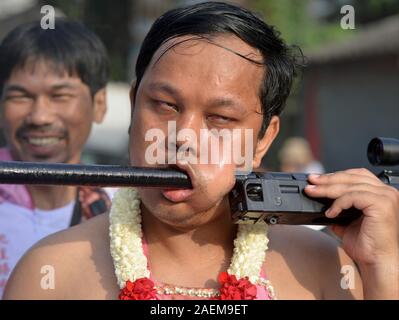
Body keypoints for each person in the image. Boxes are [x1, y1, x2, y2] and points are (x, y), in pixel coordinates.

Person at [4, 2, 398, 300]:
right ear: (133, 103)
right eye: (166, 106)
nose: (184, 137)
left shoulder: (324, 269)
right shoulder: (52, 271)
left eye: (220, 118)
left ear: (263, 138)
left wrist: (384, 267)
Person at [0, 20, 112, 297]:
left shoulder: (124, 207)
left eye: (60, 96)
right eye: (21, 96)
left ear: (99, 105)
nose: (40, 117)